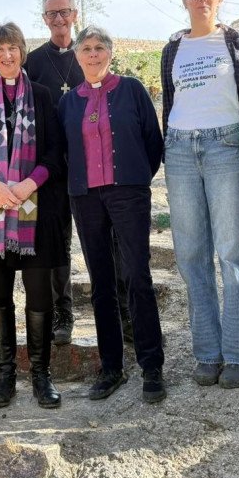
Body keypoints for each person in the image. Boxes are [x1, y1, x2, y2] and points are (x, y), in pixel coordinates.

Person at [160, 0, 239, 389]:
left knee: (232, 252)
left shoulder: (238, 43)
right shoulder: (172, 49)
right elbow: (172, 102)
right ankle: (208, 351)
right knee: (190, 254)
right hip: (181, 149)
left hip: (226, 146)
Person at [57, 26, 166, 404]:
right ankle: (112, 367)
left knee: (138, 276)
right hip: (86, 198)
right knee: (101, 282)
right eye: (85, 48)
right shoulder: (69, 102)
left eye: (99, 47)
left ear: (110, 52)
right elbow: (63, 152)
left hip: (128, 194)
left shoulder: (132, 90)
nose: (92, 54)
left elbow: (153, 142)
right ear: (77, 56)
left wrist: (134, 180)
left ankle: (152, 365)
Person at [0, 22, 67, 409]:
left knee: (39, 293)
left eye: (13, 48)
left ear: (23, 51)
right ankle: (5, 373)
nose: (6, 55)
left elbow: (56, 154)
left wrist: (27, 186)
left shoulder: (42, 95)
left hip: (34, 211)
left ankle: (41, 374)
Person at [23, 0, 81, 345]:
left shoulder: (90, 50)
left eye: (64, 13)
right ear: (44, 20)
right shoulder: (33, 61)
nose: (58, 20)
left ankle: (122, 310)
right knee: (55, 242)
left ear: (74, 14)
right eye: (51, 15)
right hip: (50, 168)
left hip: (88, 164)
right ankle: (62, 310)